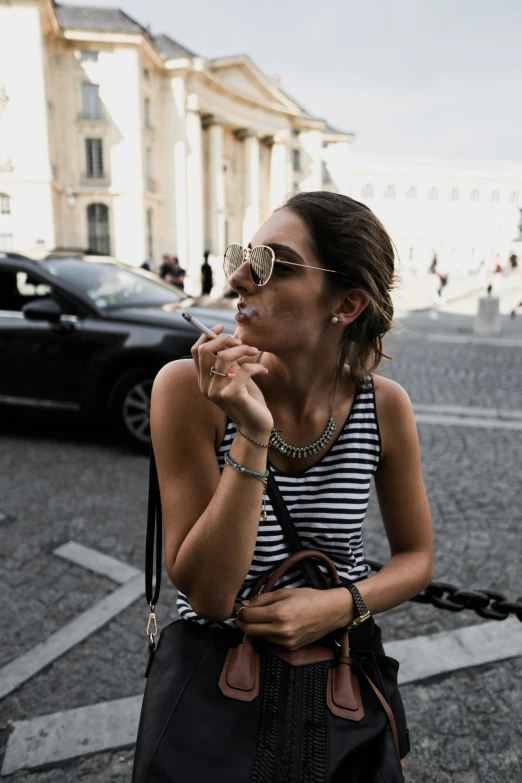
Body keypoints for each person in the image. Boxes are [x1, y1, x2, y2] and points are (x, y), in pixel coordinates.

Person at [149, 191, 434, 778]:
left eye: (270, 263)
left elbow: (417, 558)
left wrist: (338, 605)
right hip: (215, 677)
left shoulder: (384, 407)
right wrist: (252, 430)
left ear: (347, 303)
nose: (236, 278)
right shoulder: (188, 390)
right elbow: (208, 596)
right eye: (245, 256)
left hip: (343, 663)